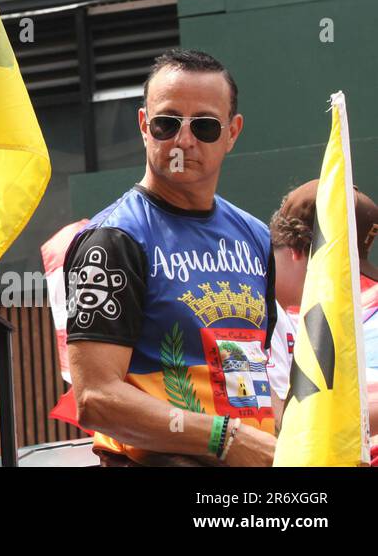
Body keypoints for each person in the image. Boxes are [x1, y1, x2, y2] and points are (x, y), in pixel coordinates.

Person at [65, 48, 277, 466]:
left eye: (204, 126)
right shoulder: (113, 240)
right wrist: (227, 439)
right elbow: (95, 398)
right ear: (144, 125)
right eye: (167, 122)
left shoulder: (256, 237)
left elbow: (252, 381)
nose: (184, 140)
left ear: (233, 132)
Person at [268, 179, 378, 451]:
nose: (342, 287)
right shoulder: (253, 302)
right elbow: (284, 425)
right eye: (337, 270)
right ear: (299, 251)